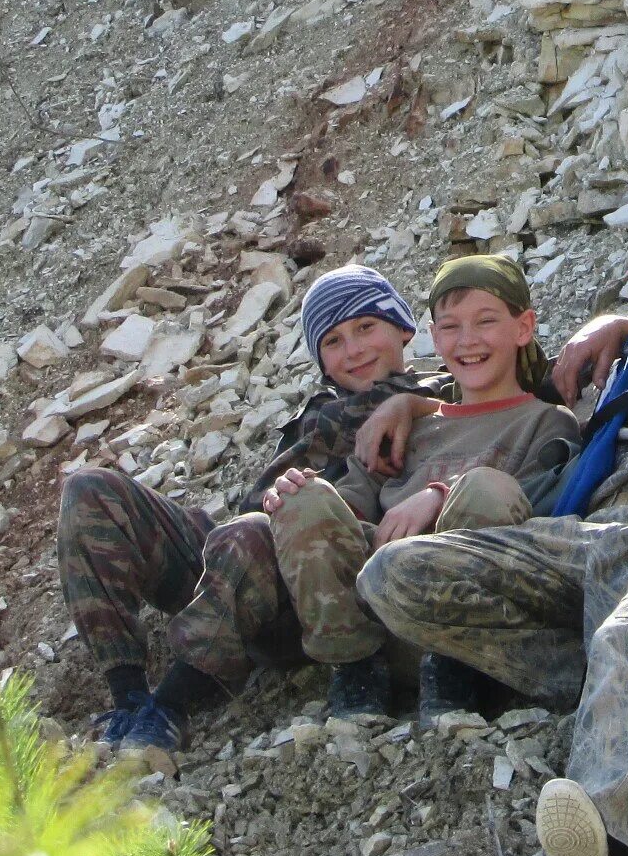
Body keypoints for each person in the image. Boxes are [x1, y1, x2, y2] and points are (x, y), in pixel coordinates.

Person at [358, 195, 628, 856]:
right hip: (596, 531)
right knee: (395, 575)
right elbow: (494, 366)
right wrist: (411, 401)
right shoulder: (626, 361)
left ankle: (606, 838)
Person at [55, 263, 446, 768]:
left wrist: (411, 404)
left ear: (404, 327)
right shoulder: (317, 414)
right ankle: (127, 696)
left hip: (324, 579)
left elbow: (510, 401)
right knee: (92, 491)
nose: (354, 349)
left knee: (254, 533)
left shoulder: (444, 394)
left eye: (366, 327)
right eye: (333, 341)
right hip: (238, 560)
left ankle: (170, 706)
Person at [260, 254, 578, 722]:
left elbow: (537, 500)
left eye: (485, 321)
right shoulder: (407, 426)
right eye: (450, 327)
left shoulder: (547, 422)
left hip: (478, 635)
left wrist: (438, 493)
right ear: (432, 334)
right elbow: (352, 505)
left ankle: (455, 680)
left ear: (523, 327)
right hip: (388, 619)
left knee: (485, 489)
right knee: (304, 497)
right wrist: (298, 495)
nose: (467, 341)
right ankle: (357, 675)